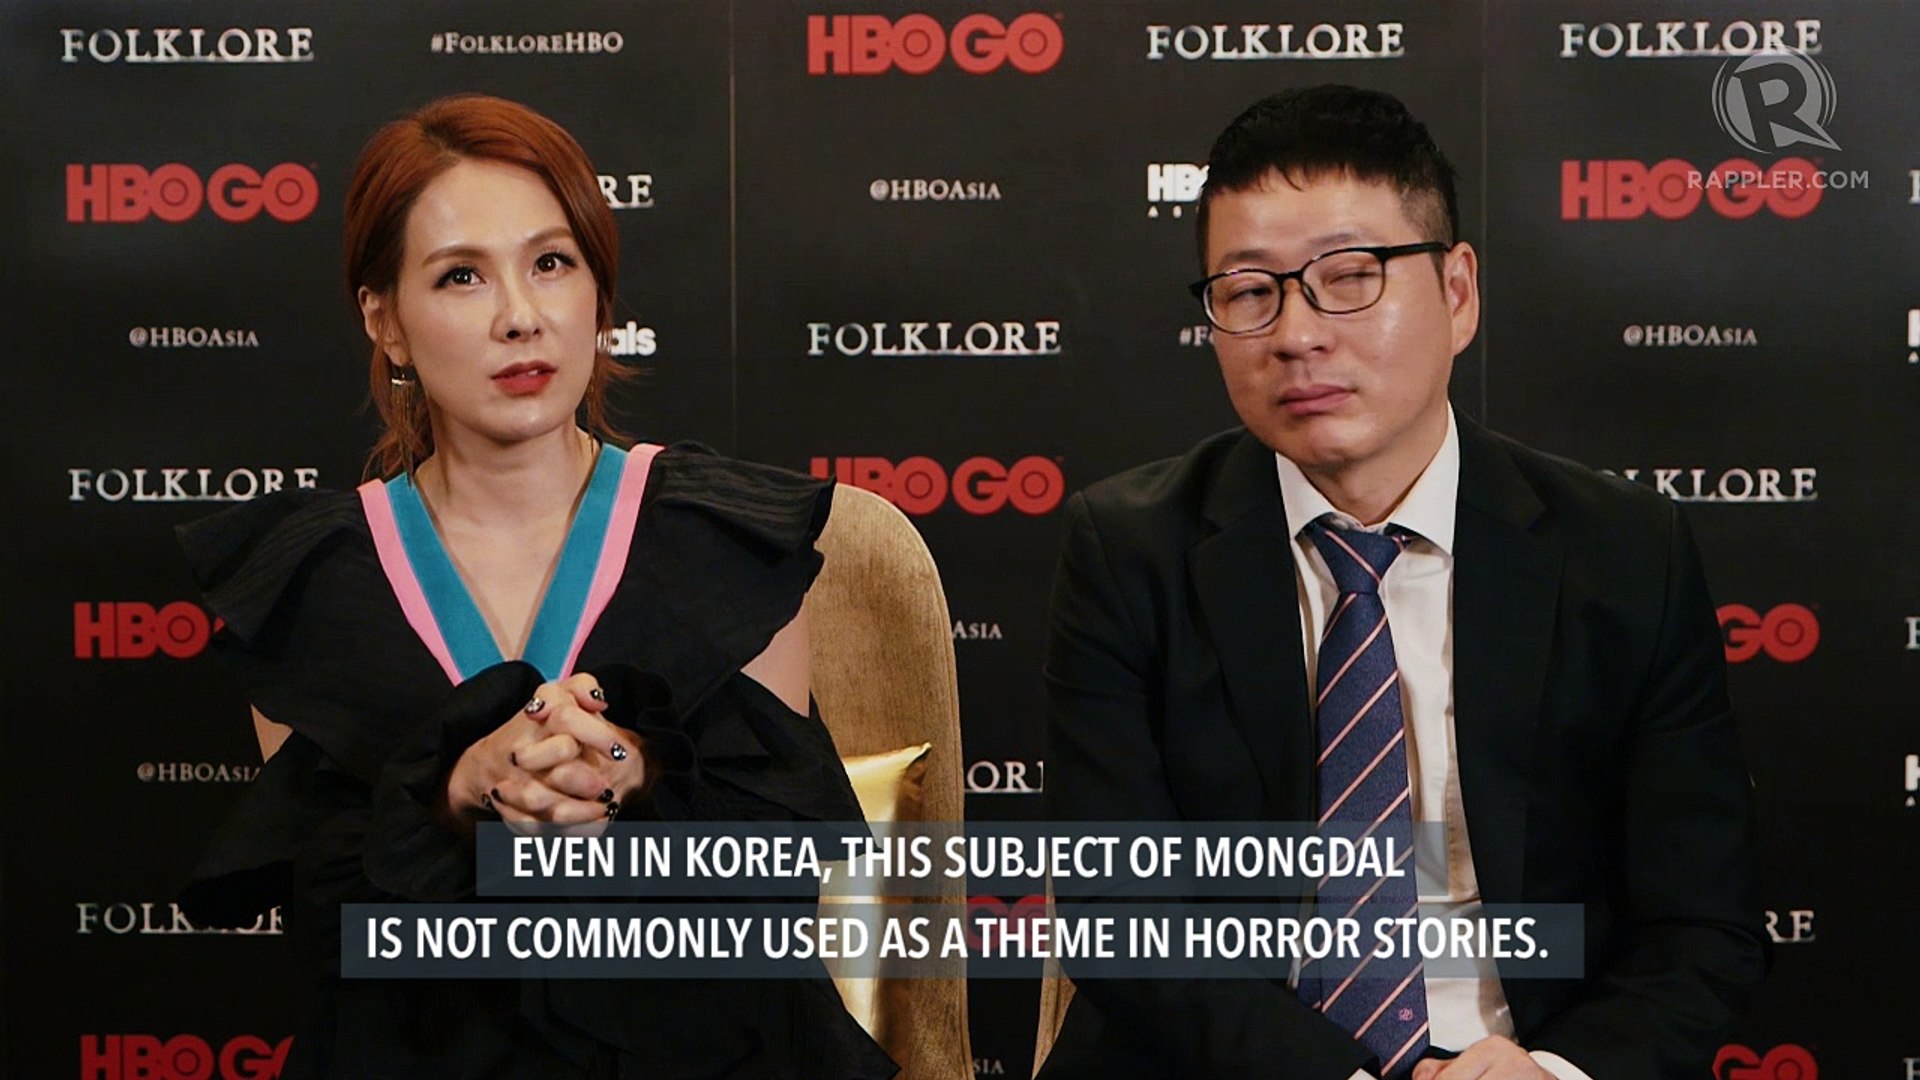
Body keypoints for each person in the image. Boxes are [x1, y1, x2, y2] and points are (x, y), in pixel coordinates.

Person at [1039, 85, 1765, 1080]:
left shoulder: (1625, 552)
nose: (1297, 334)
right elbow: (1126, 920)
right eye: (1249, 293)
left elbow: (1702, 924)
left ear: (1457, 294)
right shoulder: (1131, 552)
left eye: (1349, 277)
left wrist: (1554, 1072)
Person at [177, 94, 898, 1080]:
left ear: (599, 294)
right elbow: (338, 940)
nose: (520, 315)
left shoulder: (723, 539)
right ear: (385, 321)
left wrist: (634, 778)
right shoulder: (309, 583)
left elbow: (773, 889)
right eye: (462, 275)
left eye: (551, 263)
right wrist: (455, 799)